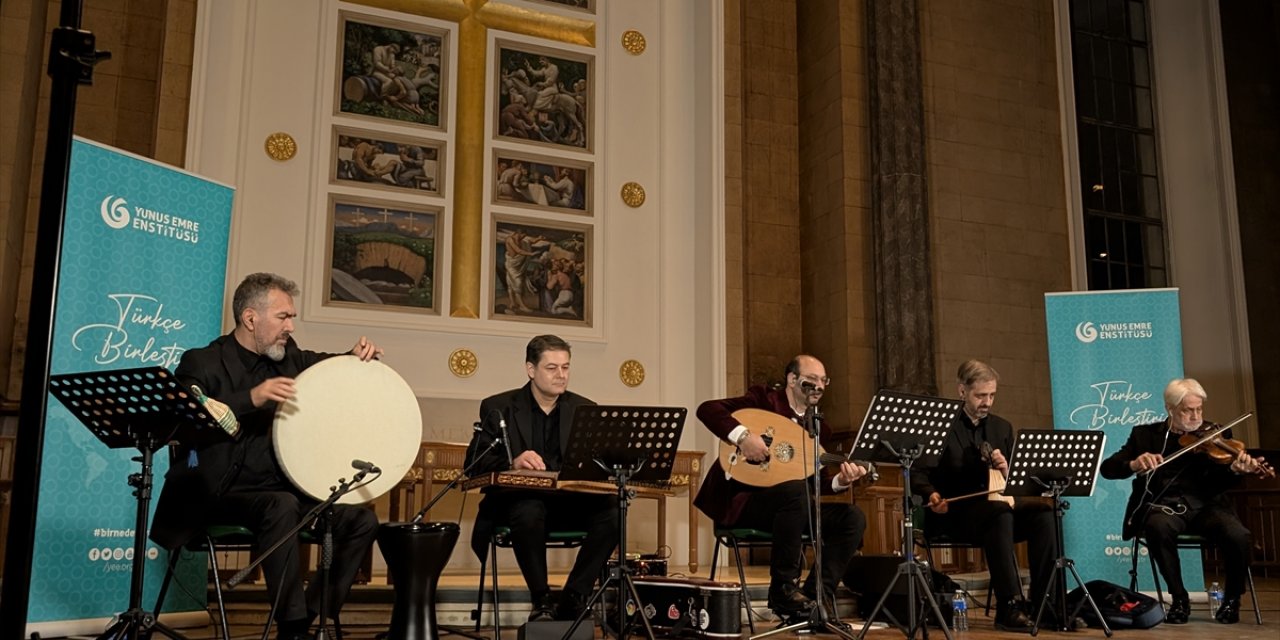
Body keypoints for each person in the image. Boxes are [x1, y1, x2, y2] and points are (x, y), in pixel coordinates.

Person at [150, 273, 381, 640]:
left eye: (292, 317)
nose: (291, 326)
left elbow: (324, 365)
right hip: (217, 495)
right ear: (251, 318)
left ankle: (308, 616)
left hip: (280, 498)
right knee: (281, 504)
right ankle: (291, 629)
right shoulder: (203, 362)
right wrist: (251, 399)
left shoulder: (288, 357)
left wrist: (353, 358)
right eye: (283, 317)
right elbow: (182, 418)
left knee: (360, 520)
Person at [693, 355, 869, 619]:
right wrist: (743, 437)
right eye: (812, 380)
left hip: (791, 510)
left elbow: (815, 481)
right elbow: (707, 409)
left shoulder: (819, 429)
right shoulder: (763, 400)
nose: (819, 386)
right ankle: (783, 591)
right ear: (792, 379)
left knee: (852, 518)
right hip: (744, 502)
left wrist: (841, 481)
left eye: (824, 381)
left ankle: (814, 596)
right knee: (796, 492)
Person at [464, 335, 619, 621]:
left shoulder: (585, 408)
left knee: (613, 512)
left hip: (569, 504)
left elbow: (598, 463)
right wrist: (513, 461)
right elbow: (474, 465)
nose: (561, 375)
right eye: (552, 368)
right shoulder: (498, 407)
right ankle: (541, 599)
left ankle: (574, 596)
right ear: (530, 369)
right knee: (529, 509)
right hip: (519, 506)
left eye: (566, 367)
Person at [1100, 378, 1265, 624]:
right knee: (1157, 526)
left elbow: (1219, 482)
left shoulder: (1217, 434)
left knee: (1238, 535)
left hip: (1207, 507)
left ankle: (1232, 600)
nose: (1195, 416)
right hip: (1165, 507)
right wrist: (1133, 464)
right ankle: (1179, 599)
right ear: (1170, 408)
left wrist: (1235, 470)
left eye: (1199, 409)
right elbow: (1108, 468)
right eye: (1188, 410)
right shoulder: (1144, 435)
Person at [911, 360, 1058, 633]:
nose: (987, 402)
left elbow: (1019, 482)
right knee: (999, 514)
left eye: (992, 395)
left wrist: (1007, 468)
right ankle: (1010, 606)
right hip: (953, 515)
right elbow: (917, 474)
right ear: (961, 391)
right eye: (980, 395)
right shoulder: (940, 426)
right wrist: (931, 495)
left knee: (1043, 514)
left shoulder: (1003, 428)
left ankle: (1045, 605)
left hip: (998, 513)